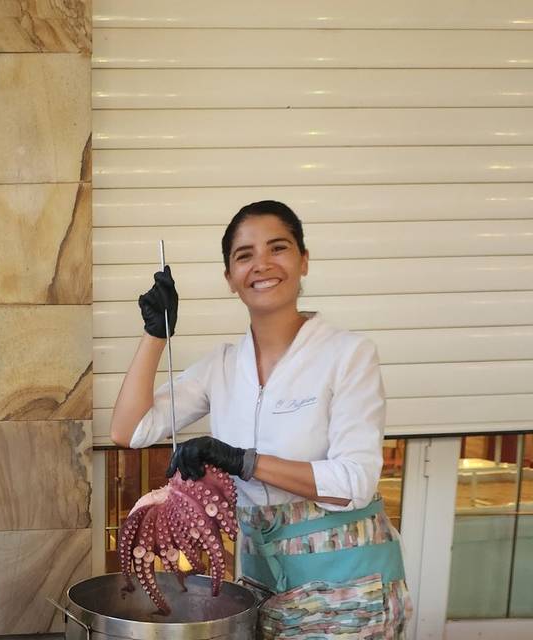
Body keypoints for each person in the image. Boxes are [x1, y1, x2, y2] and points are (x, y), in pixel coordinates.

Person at [110, 201, 413, 638]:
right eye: (244, 255)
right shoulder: (223, 365)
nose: (262, 264)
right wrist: (156, 335)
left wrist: (242, 461)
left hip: (350, 586)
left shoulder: (348, 354)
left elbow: (354, 482)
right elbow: (129, 430)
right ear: (230, 278)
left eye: (278, 248)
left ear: (304, 261)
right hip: (263, 582)